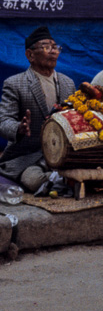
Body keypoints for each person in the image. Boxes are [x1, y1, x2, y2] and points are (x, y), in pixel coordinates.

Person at [0, 27, 76, 192]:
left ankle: (59, 180)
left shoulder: (67, 83)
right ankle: (63, 181)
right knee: (32, 180)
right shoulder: (15, 84)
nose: (53, 52)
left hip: (62, 154)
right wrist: (18, 129)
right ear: (30, 55)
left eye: (55, 47)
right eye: (46, 47)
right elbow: (3, 121)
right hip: (28, 157)